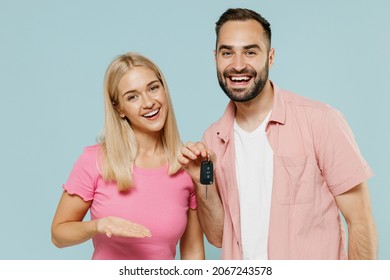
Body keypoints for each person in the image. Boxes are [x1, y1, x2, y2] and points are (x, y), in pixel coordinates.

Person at [179, 8, 377, 260]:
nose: (238, 65)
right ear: (215, 57)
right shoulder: (213, 138)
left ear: (270, 57)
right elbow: (218, 236)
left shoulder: (320, 121)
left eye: (250, 52)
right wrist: (202, 181)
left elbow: (360, 220)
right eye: (227, 52)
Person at [51, 52, 204, 260]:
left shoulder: (187, 167)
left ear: (164, 89)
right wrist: (98, 226)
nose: (149, 102)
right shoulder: (95, 161)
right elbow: (58, 235)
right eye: (132, 97)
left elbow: (193, 252)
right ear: (119, 109)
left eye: (153, 88)